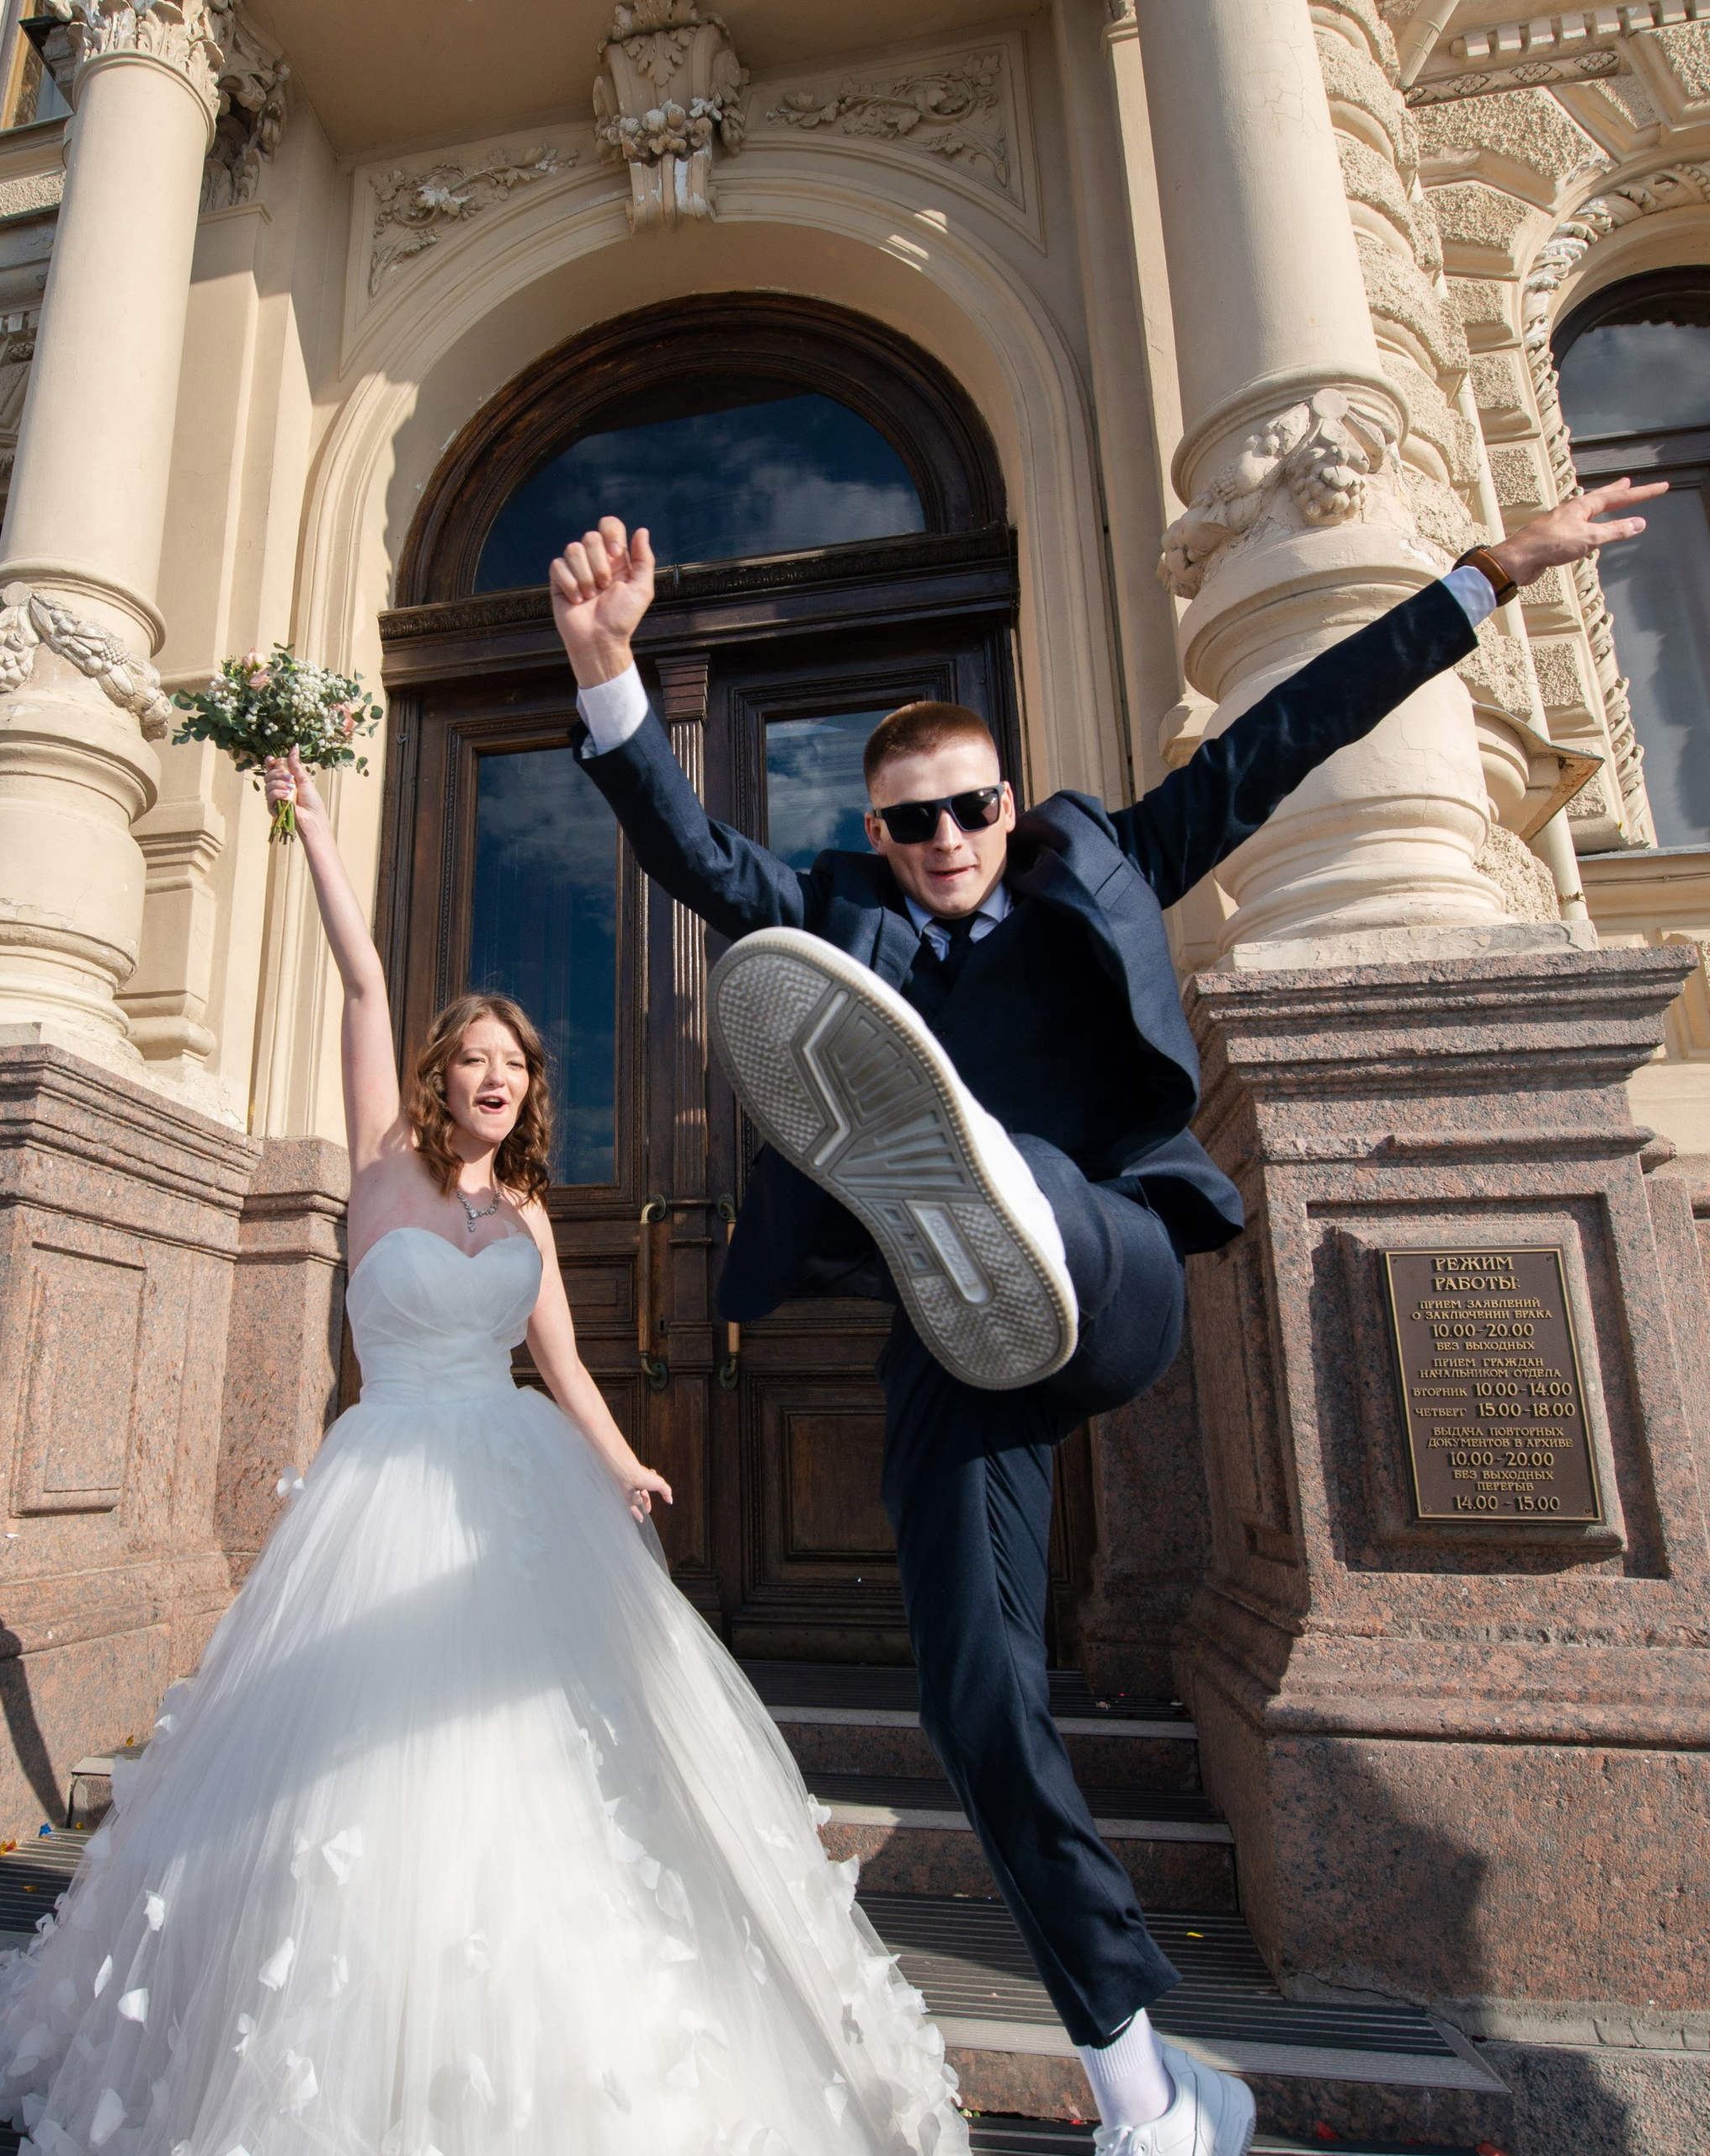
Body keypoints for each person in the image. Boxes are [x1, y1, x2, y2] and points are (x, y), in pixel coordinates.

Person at [547, 478, 1664, 2156]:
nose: (938, 844)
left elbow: (1278, 735)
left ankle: (996, 1181)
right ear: (874, 832)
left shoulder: (1099, 856)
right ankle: (1144, 2071)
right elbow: (690, 851)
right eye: (906, 824)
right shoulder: (837, 911)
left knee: (1055, 1206)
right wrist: (604, 673)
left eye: (964, 810)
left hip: (1113, 1267)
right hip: (951, 1331)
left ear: (1007, 800)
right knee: (973, 1696)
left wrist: (1483, 577)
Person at [0, 748, 968, 2156]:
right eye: (469, 1058)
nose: (489, 1075)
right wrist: (306, 831)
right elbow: (359, 981)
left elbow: (567, 1366)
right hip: (386, 1490)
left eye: (511, 1062)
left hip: (515, 1493)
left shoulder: (529, 1219)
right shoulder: (376, 1173)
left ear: (529, 1089)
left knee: (545, 1761)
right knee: (355, 1768)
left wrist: (621, 1463)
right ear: (436, 1077)